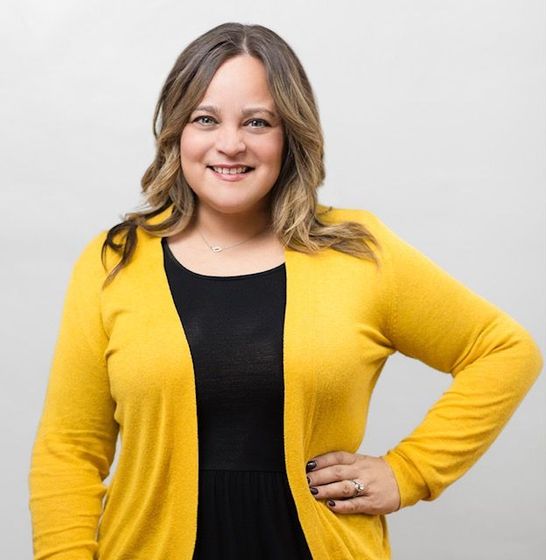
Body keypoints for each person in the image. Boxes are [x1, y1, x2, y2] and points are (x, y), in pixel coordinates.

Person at [28, 21, 543, 560]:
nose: (231, 144)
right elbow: (70, 448)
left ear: (289, 135)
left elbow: (505, 350)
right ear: (178, 132)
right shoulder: (115, 260)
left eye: (257, 122)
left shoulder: (357, 252)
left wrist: (409, 471)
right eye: (206, 119)